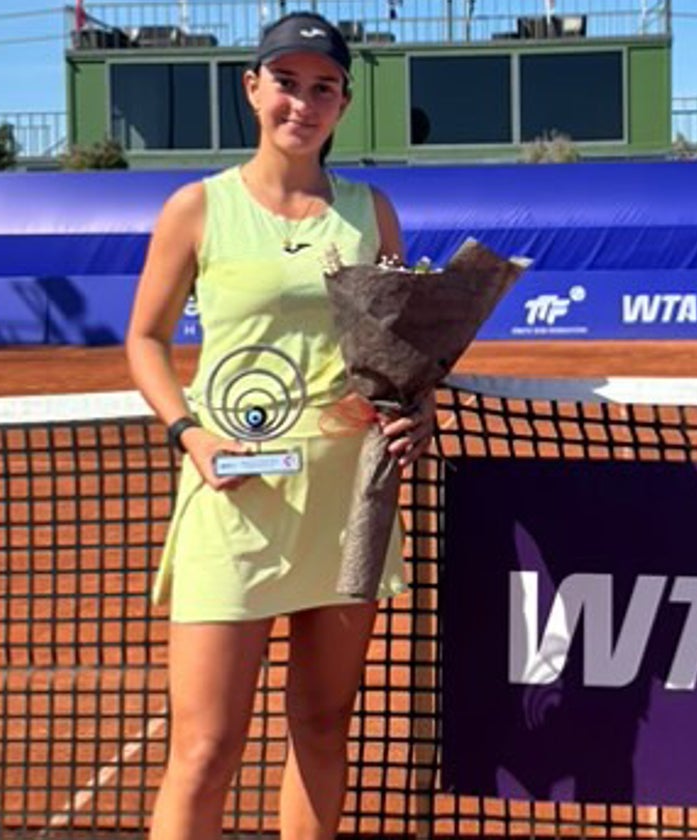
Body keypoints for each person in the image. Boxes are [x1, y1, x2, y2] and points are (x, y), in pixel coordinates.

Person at [124, 12, 434, 839]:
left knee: (323, 727)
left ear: (344, 102)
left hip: (348, 498)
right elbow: (145, 339)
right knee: (204, 745)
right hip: (234, 497)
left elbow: (395, 351)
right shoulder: (197, 208)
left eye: (323, 86)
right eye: (286, 82)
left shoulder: (373, 213)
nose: (304, 101)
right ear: (252, 89)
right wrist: (189, 434)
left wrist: (414, 411)